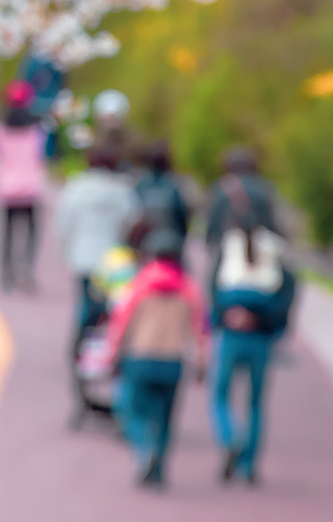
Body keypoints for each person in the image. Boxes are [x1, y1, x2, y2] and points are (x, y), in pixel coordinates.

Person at [102, 229, 209, 488]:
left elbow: (121, 322)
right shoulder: (190, 289)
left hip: (140, 358)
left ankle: (143, 450)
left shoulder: (139, 285)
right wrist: (203, 362)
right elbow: (201, 330)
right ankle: (158, 467)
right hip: (173, 361)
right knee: (165, 419)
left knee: (132, 411)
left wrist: (112, 355)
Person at [209, 218, 298, 484]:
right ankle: (248, 465)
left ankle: (230, 436)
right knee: (256, 402)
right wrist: (274, 325)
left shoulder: (228, 246)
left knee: (221, 393)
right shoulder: (276, 249)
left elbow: (213, 287)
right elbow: (289, 291)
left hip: (232, 332)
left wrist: (224, 316)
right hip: (261, 334)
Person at [56, 141, 139, 332]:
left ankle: (81, 341)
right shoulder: (123, 190)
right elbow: (132, 222)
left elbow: (64, 223)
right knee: (110, 306)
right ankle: (99, 345)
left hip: (82, 255)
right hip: (112, 258)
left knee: (85, 301)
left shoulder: (77, 187)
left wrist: (66, 251)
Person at [0, 82, 48, 293]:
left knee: (7, 233)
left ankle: (7, 273)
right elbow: (41, 155)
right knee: (31, 232)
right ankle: (26, 267)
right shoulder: (37, 128)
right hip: (30, 187)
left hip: (7, 188)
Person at [202, 146, 279, 252]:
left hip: (229, 252)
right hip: (261, 251)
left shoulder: (219, 189)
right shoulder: (264, 187)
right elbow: (274, 224)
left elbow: (212, 229)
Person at [130, 141, 191, 253]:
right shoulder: (173, 185)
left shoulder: (141, 185)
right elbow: (181, 214)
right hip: (171, 241)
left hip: (146, 242)